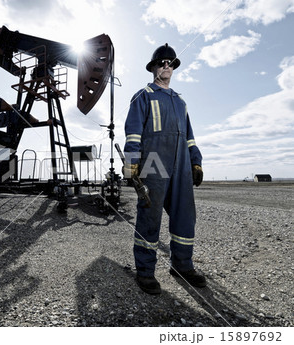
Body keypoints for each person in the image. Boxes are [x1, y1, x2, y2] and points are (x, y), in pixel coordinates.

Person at [123, 43, 206, 294]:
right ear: (153, 68)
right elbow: (133, 131)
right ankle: (146, 272)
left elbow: (190, 136)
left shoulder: (181, 102)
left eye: (170, 63)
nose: (166, 66)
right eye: (161, 63)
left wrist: (196, 160)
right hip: (154, 163)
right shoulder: (143, 96)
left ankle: (182, 266)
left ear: (174, 68)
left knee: (185, 217)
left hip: (180, 165)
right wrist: (131, 162)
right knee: (150, 217)